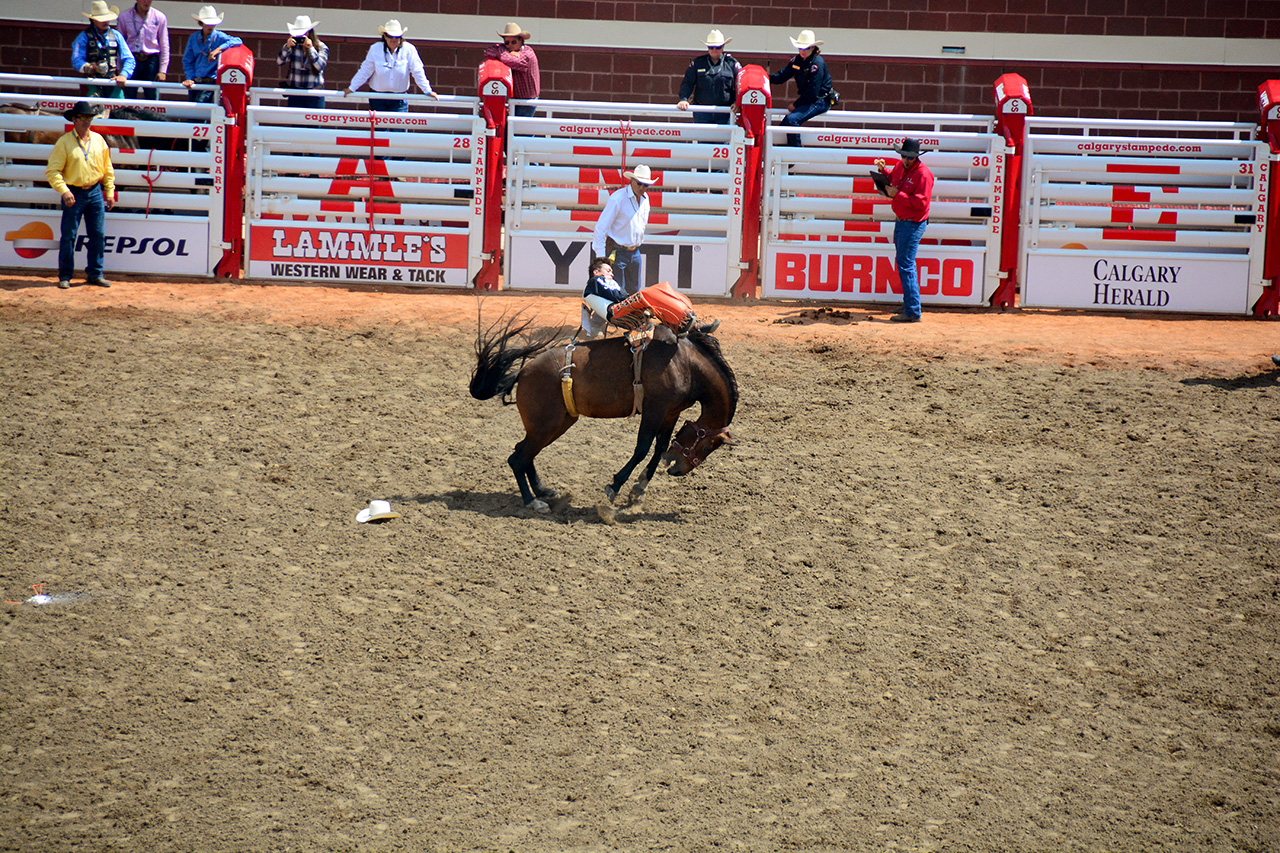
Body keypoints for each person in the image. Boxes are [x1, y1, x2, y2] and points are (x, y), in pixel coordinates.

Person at [46, 102, 116, 290]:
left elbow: (107, 169)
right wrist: (65, 191)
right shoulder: (64, 142)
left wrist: (109, 191)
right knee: (69, 235)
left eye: (89, 118)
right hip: (74, 192)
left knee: (98, 235)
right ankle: (66, 275)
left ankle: (95, 273)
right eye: (83, 118)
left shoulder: (99, 140)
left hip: (94, 191)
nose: (86, 121)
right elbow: (53, 171)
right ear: (74, 120)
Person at [876, 138, 934, 323]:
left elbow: (921, 203)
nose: (906, 160)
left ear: (915, 157)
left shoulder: (924, 175)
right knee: (905, 264)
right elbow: (893, 177)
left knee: (905, 264)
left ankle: (912, 310)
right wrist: (882, 171)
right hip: (904, 221)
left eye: (909, 157)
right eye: (904, 156)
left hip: (912, 223)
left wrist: (897, 194)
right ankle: (910, 305)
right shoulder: (903, 168)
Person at [344, 20, 440, 112]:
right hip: (378, 98)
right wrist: (352, 88)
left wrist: (427, 91)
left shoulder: (409, 49)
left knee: (399, 127)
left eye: (397, 37)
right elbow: (365, 71)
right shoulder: (375, 48)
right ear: (385, 36)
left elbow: (417, 71)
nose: (393, 39)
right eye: (390, 36)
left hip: (399, 99)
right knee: (380, 128)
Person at [592, 164, 657, 297]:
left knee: (633, 293)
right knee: (616, 292)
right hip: (617, 252)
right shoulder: (618, 199)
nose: (642, 188)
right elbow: (601, 227)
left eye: (645, 185)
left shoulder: (645, 200)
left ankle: (628, 318)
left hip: (634, 252)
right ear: (631, 181)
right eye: (639, 183)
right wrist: (601, 259)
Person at [768, 29, 832, 146]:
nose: (802, 51)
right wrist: (763, 76)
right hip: (808, 100)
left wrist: (796, 104)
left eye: (806, 48)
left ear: (812, 48)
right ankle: (784, 157)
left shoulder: (817, 63)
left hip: (819, 100)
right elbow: (781, 77)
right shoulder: (797, 60)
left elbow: (813, 91)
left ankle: (794, 157)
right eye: (800, 48)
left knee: (791, 121)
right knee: (783, 127)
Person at [71, 1, 136, 100]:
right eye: (102, 19)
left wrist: (123, 75)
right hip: (91, 83)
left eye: (107, 19)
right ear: (93, 20)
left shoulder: (116, 35)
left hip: (113, 81)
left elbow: (129, 58)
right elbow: (76, 60)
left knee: (118, 111)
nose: (105, 22)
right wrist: (90, 67)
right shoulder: (83, 37)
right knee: (91, 111)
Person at [676, 29, 741, 124]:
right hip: (702, 112)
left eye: (718, 47)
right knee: (703, 138)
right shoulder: (698, 63)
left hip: (725, 112)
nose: (714, 50)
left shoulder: (731, 63)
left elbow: (740, 84)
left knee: (724, 138)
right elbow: (688, 83)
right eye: (711, 47)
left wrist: (737, 102)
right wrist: (683, 99)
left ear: (723, 47)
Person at [182, 5, 241, 104]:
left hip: (209, 81)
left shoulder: (219, 36)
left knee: (198, 109)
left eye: (212, 23)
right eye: (207, 23)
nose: (210, 26)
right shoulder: (193, 38)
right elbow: (188, 61)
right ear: (201, 23)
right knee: (193, 111)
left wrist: (218, 49)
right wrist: (190, 78)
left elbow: (237, 40)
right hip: (195, 81)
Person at [484, 23, 540, 117]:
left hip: (526, 101)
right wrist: (507, 52)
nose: (509, 45)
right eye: (506, 42)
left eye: (513, 42)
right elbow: (488, 51)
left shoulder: (528, 54)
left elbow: (511, 61)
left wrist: (502, 53)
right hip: (516, 99)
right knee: (515, 129)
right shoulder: (509, 50)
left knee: (519, 130)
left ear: (521, 40)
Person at [116, 0, 169, 100]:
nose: (146, 2)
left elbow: (164, 45)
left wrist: (163, 71)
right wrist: (119, 67)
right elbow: (119, 44)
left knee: (152, 97)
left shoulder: (159, 17)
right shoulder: (124, 16)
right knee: (128, 96)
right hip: (131, 59)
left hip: (151, 61)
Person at [277, 15, 328, 109]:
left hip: (314, 94)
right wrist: (287, 47)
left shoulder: (321, 47)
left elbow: (320, 66)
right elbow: (280, 62)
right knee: (296, 122)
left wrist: (311, 49)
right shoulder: (292, 45)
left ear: (309, 33)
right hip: (295, 93)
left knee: (313, 123)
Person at [579, 257, 627, 339]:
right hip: (614, 311)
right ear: (596, 272)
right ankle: (595, 326)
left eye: (611, 271)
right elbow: (617, 296)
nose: (612, 274)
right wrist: (626, 299)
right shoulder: (596, 280)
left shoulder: (609, 282)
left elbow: (620, 295)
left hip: (614, 311)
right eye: (608, 271)